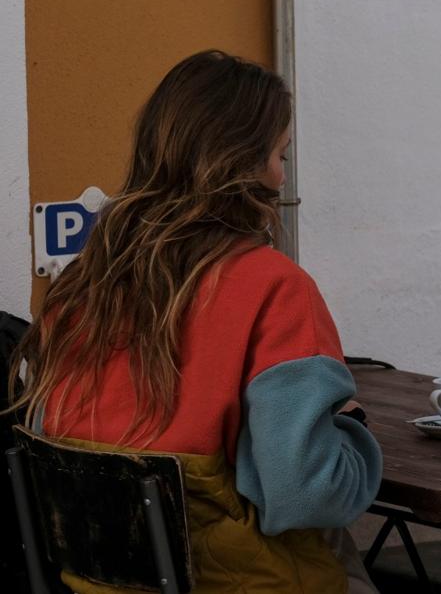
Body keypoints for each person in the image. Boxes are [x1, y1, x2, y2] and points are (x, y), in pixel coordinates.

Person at [7, 50, 382, 593]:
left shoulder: (80, 289)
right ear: (246, 164)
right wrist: (352, 432)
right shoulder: (274, 288)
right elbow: (307, 494)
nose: (281, 177)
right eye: (281, 155)